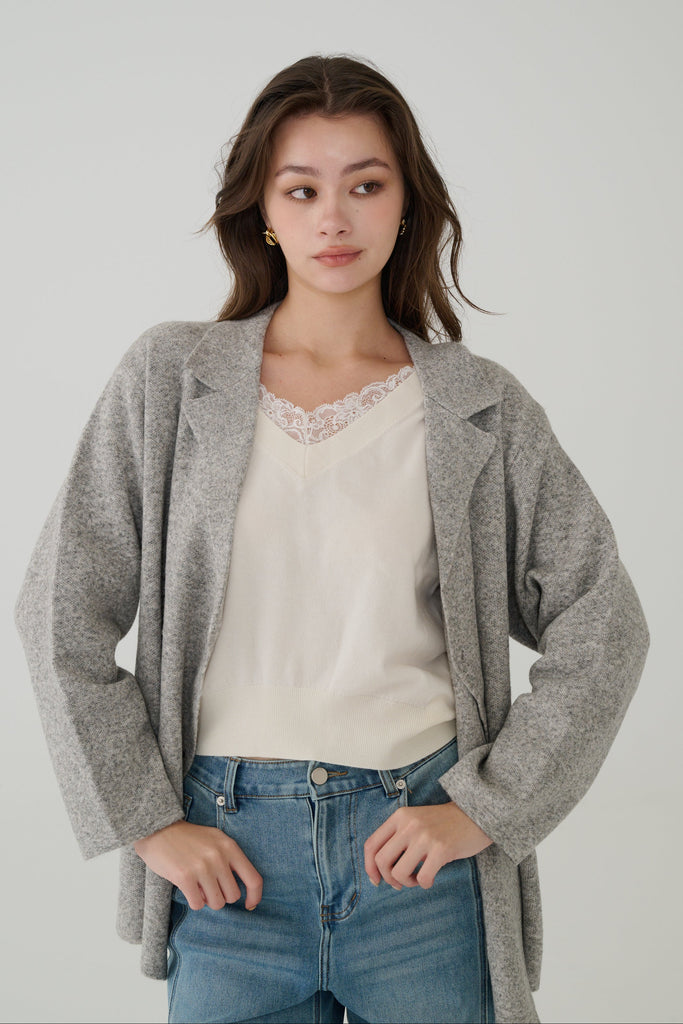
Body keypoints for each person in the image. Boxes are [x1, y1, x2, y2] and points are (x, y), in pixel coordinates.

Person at [14, 54, 650, 1024]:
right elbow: (59, 612)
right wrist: (145, 821)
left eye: (365, 185)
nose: (334, 219)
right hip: (228, 870)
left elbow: (602, 623)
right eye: (301, 189)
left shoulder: (478, 406)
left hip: (418, 865)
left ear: (406, 205)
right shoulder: (169, 380)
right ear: (264, 211)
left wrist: (484, 807)